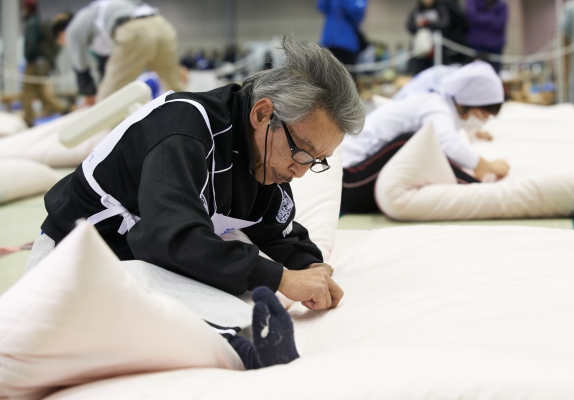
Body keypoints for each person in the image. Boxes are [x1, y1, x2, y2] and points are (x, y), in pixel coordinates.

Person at [25, 36, 366, 369]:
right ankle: (238, 345)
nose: (301, 171)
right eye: (302, 152)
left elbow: (279, 231)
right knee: (224, 278)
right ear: (263, 114)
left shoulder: (266, 157)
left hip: (144, 249)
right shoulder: (184, 129)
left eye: (317, 160)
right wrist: (281, 279)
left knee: (236, 263)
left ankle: (234, 335)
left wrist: (310, 266)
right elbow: (168, 238)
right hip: (78, 255)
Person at [341, 61, 509, 214]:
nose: (482, 121)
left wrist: (477, 166)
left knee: (426, 148)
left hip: (351, 178)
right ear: (466, 102)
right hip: (348, 181)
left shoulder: (438, 106)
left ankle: (473, 184)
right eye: (482, 115)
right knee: (412, 142)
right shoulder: (436, 106)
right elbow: (449, 145)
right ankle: (477, 187)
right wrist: (489, 166)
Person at [52, 0, 184, 107]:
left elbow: (80, 66)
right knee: (175, 88)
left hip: (135, 30)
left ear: (61, 34)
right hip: (162, 25)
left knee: (108, 102)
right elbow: (107, 64)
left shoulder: (72, 29)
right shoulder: (95, 17)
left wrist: (88, 93)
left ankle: (119, 133)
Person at [21, 0, 68, 127]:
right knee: (42, 91)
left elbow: (31, 45)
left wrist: (29, 57)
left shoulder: (32, 23)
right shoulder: (39, 22)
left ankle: (28, 120)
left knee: (28, 91)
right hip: (43, 62)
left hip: (35, 62)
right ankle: (64, 110)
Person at [317, 0, 369, 71]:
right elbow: (322, 7)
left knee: (346, 73)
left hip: (347, 46)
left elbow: (357, 13)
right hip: (328, 43)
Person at [406, 0, 450, 74]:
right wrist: (417, 25)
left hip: (437, 48)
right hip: (421, 50)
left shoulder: (440, 8)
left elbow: (445, 24)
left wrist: (429, 23)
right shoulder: (417, 10)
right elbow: (409, 26)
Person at [465, 0, 508, 73]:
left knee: (494, 73)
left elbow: (500, 23)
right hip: (477, 44)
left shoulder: (501, 4)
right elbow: (472, 17)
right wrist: (492, 17)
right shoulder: (473, 2)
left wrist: (481, 19)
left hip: (495, 46)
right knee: (476, 72)